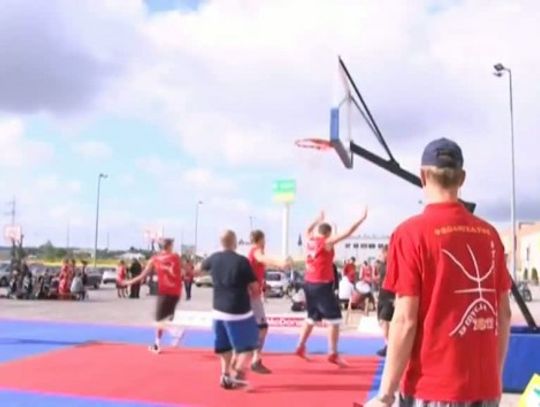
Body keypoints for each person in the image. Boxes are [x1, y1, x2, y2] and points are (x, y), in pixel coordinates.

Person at [365, 138, 512, 407]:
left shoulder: (410, 234)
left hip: (432, 387)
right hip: (484, 388)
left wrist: (385, 394)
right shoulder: (490, 235)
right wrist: (495, 378)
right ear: (462, 178)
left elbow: (405, 320)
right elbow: (503, 314)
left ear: (423, 176)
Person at [295, 209, 368, 365]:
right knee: (334, 320)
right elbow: (347, 232)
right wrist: (361, 219)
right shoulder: (326, 243)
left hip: (309, 283)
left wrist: (317, 218)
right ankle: (333, 353)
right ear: (328, 233)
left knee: (311, 317)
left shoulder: (310, 240)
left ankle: (300, 346)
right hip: (322, 285)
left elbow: (307, 230)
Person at [200, 230, 259, 389]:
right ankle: (239, 373)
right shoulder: (242, 261)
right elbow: (254, 287)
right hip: (238, 310)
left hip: (218, 311)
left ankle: (225, 375)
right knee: (251, 342)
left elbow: (198, 270)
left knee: (224, 346)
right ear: (235, 243)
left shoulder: (213, 258)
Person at [122, 238, 183, 354]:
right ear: (169, 246)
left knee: (158, 320)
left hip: (166, 292)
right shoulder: (175, 257)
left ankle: (175, 331)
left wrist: (130, 282)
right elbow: (183, 271)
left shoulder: (155, 259)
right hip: (176, 292)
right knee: (163, 320)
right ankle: (157, 344)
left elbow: (143, 275)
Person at [247, 230, 290, 374]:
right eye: (264, 240)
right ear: (260, 240)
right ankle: (254, 360)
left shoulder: (254, 253)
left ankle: (253, 358)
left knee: (257, 328)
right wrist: (280, 263)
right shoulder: (256, 251)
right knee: (262, 328)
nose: (265, 243)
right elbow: (263, 258)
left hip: (252, 295)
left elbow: (264, 262)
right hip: (251, 296)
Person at [375, 245, 393, 357]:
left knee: (385, 319)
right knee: (381, 321)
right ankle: (388, 344)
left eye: (381, 254)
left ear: (387, 253)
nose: (379, 256)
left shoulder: (394, 265)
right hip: (382, 294)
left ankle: (389, 346)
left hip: (391, 295)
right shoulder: (381, 266)